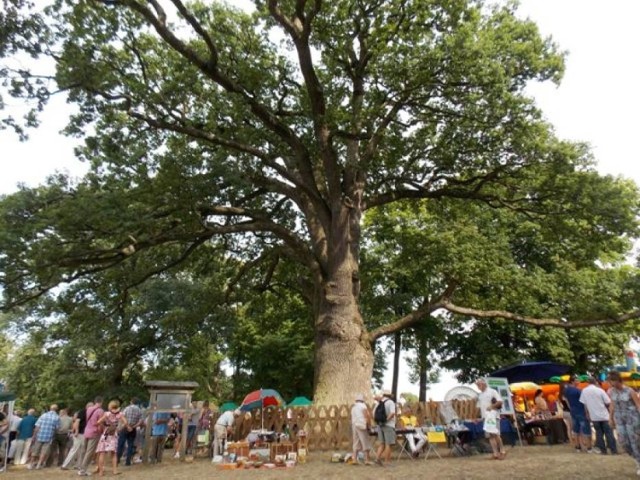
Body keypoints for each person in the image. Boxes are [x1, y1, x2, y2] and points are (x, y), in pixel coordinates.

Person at [607, 371, 640, 474]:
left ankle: (639, 463)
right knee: (623, 441)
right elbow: (612, 405)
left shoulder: (630, 391)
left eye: (613, 381)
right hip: (619, 418)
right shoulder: (611, 392)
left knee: (634, 441)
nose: (612, 384)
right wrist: (610, 418)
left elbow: (638, 405)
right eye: (610, 381)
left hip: (632, 418)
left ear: (618, 380)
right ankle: (636, 458)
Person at [580, 377, 617, 455]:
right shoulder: (600, 390)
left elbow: (584, 404)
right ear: (596, 382)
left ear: (588, 382)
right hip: (604, 415)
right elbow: (608, 402)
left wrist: (587, 413)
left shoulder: (584, 391)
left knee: (599, 433)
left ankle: (603, 450)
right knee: (609, 433)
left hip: (594, 416)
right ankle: (613, 450)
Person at [476, 378, 506, 460]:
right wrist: (480, 418)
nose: (478, 386)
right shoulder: (480, 395)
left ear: (484, 384)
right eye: (477, 385)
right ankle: (495, 453)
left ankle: (502, 451)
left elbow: (500, 401)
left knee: (496, 434)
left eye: (479, 384)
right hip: (486, 417)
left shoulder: (492, 391)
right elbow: (481, 408)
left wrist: (492, 406)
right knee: (490, 436)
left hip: (493, 416)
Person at [96, 400, 127, 476]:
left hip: (106, 434)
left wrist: (105, 426)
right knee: (114, 454)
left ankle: (101, 472)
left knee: (102, 453)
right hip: (114, 435)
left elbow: (98, 422)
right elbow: (125, 422)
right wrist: (119, 429)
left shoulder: (107, 414)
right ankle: (115, 470)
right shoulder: (120, 414)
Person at [563, 375, 592, 452]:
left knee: (576, 430)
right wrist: (587, 412)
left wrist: (571, 408)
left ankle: (577, 447)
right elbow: (584, 402)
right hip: (581, 411)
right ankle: (589, 447)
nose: (579, 381)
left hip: (573, 411)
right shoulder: (578, 391)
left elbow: (567, 401)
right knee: (586, 429)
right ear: (573, 381)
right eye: (577, 380)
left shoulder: (566, 390)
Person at [78, 396, 105, 476]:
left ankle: (80, 466)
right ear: (101, 402)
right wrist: (102, 432)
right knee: (89, 452)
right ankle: (83, 470)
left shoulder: (89, 409)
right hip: (94, 432)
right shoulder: (100, 411)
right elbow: (100, 423)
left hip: (86, 431)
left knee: (84, 450)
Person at [61, 402, 92, 470]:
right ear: (88, 407)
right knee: (75, 449)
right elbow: (77, 421)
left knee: (82, 450)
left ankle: (78, 465)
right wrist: (76, 431)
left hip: (84, 433)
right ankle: (65, 465)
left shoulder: (87, 413)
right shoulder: (83, 412)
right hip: (80, 433)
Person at [28, 404, 60, 470]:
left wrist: (34, 435)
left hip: (39, 435)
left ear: (50, 408)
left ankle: (31, 464)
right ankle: (38, 465)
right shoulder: (57, 417)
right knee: (44, 452)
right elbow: (57, 428)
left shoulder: (43, 415)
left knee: (35, 451)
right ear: (57, 409)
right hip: (49, 437)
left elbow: (37, 426)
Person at [117, 397, 142, 467]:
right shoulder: (139, 410)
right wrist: (133, 427)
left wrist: (127, 425)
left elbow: (122, 417)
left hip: (125, 427)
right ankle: (128, 461)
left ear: (131, 402)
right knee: (130, 445)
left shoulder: (127, 408)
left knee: (121, 444)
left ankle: (117, 459)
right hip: (133, 428)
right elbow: (140, 421)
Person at [374, 390, 396, 466]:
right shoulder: (391, 402)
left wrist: (379, 422)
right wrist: (386, 420)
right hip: (389, 425)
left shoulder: (378, 403)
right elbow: (392, 413)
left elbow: (374, 414)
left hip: (379, 425)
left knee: (382, 444)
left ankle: (377, 458)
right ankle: (387, 461)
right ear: (390, 395)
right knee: (388, 444)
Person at [350, 393, 372, 465]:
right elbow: (367, 416)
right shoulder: (363, 406)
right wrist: (369, 425)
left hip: (354, 425)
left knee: (355, 442)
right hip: (362, 424)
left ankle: (355, 459)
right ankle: (367, 460)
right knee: (365, 441)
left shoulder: (353, 407)